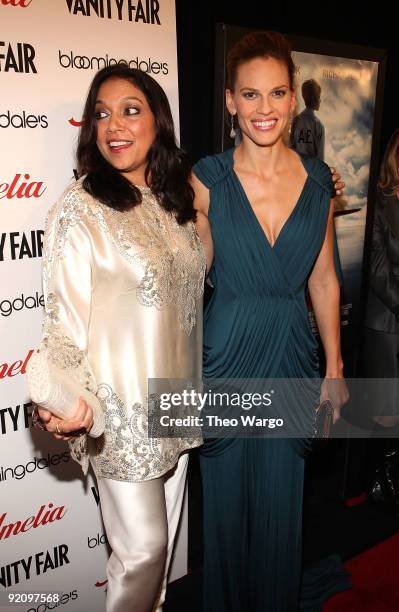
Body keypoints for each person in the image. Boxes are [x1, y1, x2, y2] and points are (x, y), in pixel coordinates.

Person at [30, 64, 208, 612]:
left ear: (158, 120)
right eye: (102, 114)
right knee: (143, 554)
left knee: (157, 559)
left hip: (177, 407)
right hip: (124, 418)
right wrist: (59, 396)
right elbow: (62, 323)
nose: (115, 125)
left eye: (131, 110)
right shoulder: (79, 210)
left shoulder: (176, 203)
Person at [191, 31, 347, 611]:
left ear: (291, 97)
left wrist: (334, 364)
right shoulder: (205, 179)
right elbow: (187, 265)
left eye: (277, 93)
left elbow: (324, 279)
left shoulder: (318, 182)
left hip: (290, 359)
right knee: (227, 512)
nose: (264, 109)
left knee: (282, 509)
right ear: (230, 100)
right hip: (225, 361)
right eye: (250, 95)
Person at [363, 128, 399, 510]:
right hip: (386, 320)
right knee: (387, 410)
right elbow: (374, 261)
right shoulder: (381, 198)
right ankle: (378, 478)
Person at [290, 78, 325, 160]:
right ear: (315, 98)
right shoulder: (318, 125)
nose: (320, 100)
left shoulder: (296, 121)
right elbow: (320, 160)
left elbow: (290, 149)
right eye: (318, 96)